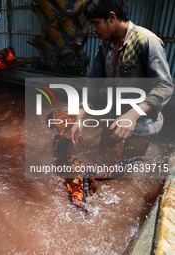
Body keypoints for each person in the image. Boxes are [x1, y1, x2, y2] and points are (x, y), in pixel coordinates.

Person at [70, 0, 173, 166]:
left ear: (111, 17)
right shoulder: (105, 45)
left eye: (95, 23)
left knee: (127, 168)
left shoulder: (147, 42)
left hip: (142, 118)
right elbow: (93, 84)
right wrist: (79, 118)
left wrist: (133, 115)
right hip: (116, 114)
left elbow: (165, 86)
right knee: (103, 148)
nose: (94, 29)